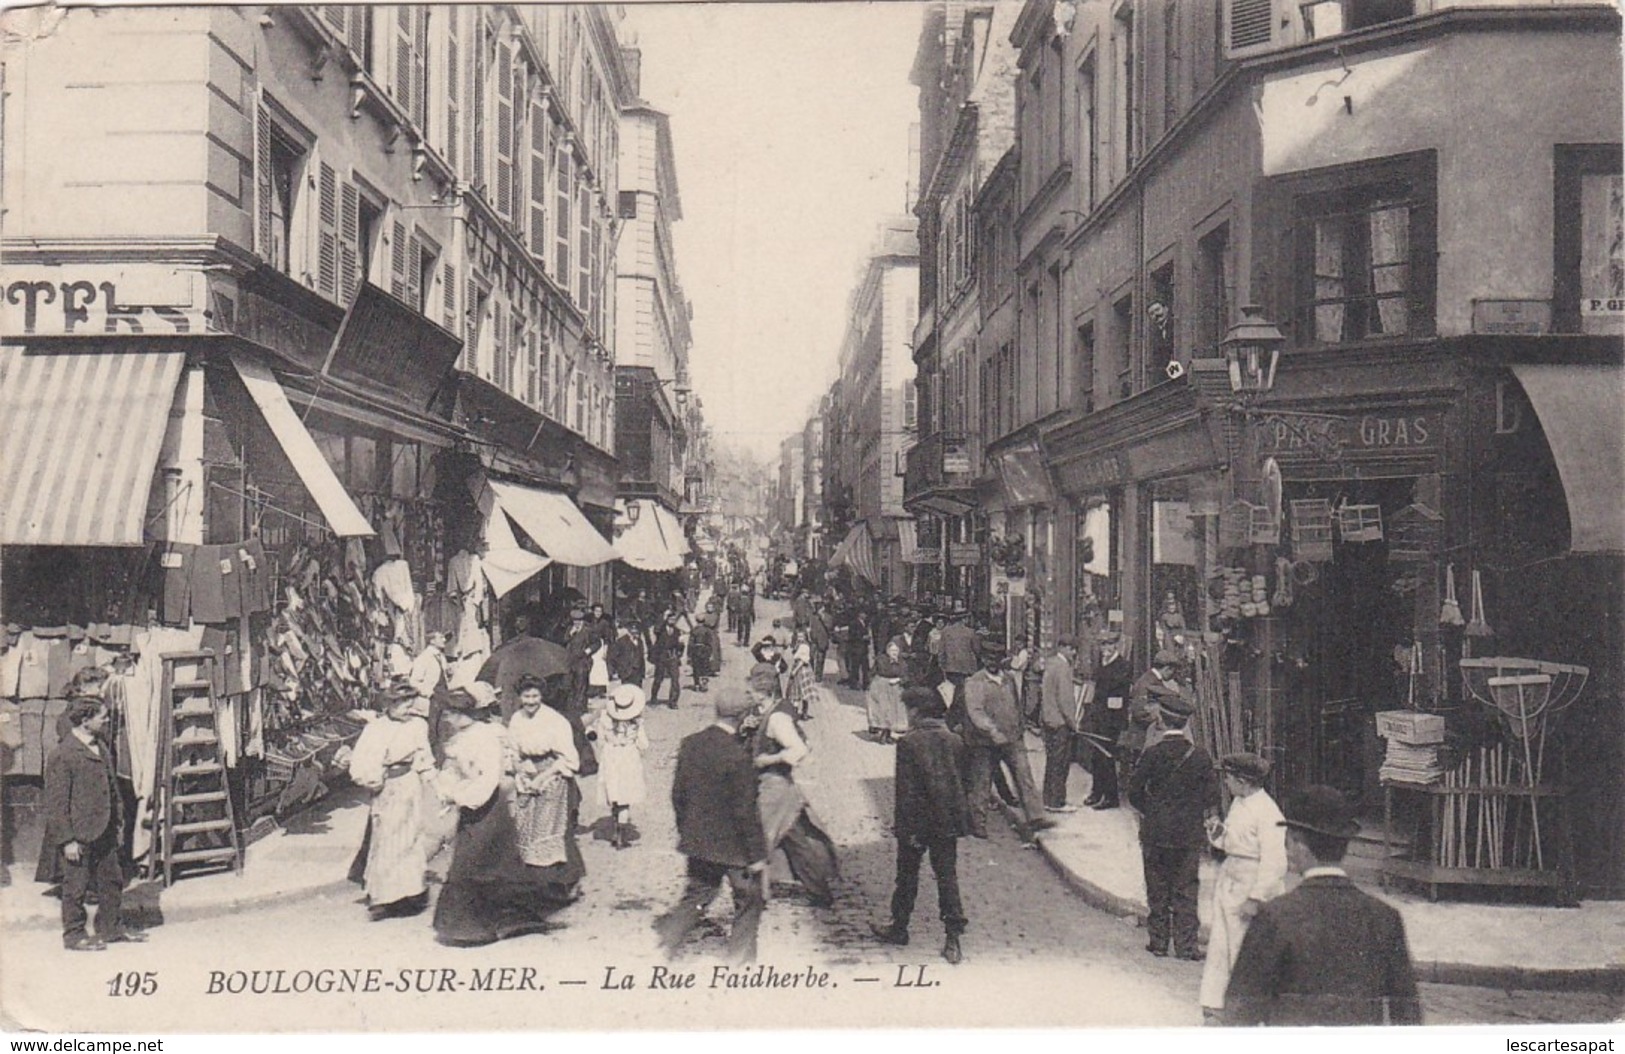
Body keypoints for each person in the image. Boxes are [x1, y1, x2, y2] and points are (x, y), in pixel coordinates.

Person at [1224, 785, 1422, 1026]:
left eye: (1288, 842)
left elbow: (1240, 1009)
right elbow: (1408, 1015)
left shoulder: (1275, 915)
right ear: (1345, 846)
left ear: (1298, 844)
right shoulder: (1385, 917)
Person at [432, 683, 583, 946]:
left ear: (466, 714)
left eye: (452, 713)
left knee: (479, 863)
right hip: (473, 811)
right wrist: (447, 789)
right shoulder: (463, 737)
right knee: (485, 863)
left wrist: (461, 796)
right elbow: (453, 770)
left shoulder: (485, 737)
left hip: (489, 809)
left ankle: (475, 925)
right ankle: (492, 921)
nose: (448, 719)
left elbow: (487, 780)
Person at [655, 689, 768, 963]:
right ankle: (740, 963)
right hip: (734, 848)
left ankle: (663, 947)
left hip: (699, 841)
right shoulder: (739, 756)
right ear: (742, 717)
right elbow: (745, 811)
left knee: (696, 896)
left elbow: (678, 794)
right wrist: (757, 856)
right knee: (750, 901)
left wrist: (687, 830)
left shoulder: (691, 744)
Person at [871, 687, 970, 964]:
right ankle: (953, 940)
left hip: (918, 823)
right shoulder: (955, 741)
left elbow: (906, 792)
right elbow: (964, 784)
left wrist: (906, 829)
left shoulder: (909, 743)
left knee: (907, 878)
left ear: (916, 711)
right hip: (946, 823)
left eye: (908, 710)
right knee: (947, 878)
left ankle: (899, 928)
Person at [43, 698, 146, 951]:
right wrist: (67, 840)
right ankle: (74, 935)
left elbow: (112, 788)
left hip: (106, 829)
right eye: (102, 716)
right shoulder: (63, 754)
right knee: (75, 887)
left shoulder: (101, 746)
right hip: (79, 835)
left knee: (112, 881)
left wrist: (118, 821)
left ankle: (111, 928)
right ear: (85, 720)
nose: (107, 719)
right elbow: (56, 803)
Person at [1126, 691, 1220, 960]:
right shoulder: (1200, 756)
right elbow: (1211, 795)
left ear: (1163, 722)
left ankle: (1158, 943)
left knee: (1156, 886)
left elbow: (1134, 791)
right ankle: (1186, 946)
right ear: (1185, 723)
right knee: (1186, 888)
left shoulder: (1152, 754)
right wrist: (1192, 811)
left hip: (1156, 831)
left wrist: (1151, 810)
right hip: (1188, 833)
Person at [1200, 753, 1288, 1024]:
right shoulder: (1240, 802)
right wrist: (1216, 832)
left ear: (1242, 780)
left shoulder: (1268, 812)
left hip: (1252, 881)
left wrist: (1257, 897)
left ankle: (1247, 1011)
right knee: (1222, 942)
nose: (1225, 782)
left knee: (1244, 948)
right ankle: (1217, 1002)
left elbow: (1275, 861)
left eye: (1228, 777)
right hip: (1232, 877)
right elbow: (1230, 842)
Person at [747, 666, 839, 907]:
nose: (749, 697)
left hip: (775, 787)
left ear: (762, 693)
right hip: (779, 789)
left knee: (761, 839)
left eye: (752, 693)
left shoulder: (778, 718)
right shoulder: (768, 713)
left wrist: (768, 759)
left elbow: (798, 749)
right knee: (795, 840)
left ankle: (754, 896)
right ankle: (820, 891)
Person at [347, 682, 435, 920]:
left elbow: (423, 756)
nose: (408, 708)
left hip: (409, 786)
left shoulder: (418, 725)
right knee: (386, 840)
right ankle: (385, 897)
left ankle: (410, 894)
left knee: (409, 838)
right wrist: (374, 778)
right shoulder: (376, 729)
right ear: (389, 704)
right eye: (402, 704)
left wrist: (432, 782)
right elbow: (362, 761)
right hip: (387, 788)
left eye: (410, 703)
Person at [961, 643, 1052, 842]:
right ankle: (978, 823)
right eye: (988, 658)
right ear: (983, 659)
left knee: (1024, 776)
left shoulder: (1009, 679)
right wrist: (992, 730)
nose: (992, 661)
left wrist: (1020, 728)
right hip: (984, 742)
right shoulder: (975, 682)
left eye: (996, 657)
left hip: (1012, 738)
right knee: (982, 782)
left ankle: (1036, 817)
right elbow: (975, 712)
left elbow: (1017, 705)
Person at [588, 683, 649, 850]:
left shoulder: (605, 719)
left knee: (613, 791)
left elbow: (600, 742)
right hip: (628, 756)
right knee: (626, 795)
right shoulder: (636, 722)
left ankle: (615, 827)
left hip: (610, 755)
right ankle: (621, 833)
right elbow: (644, 744)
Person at [1121, 648, 1188, 797]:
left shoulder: (1151, 679)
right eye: (1172, 671)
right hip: (1142, 736)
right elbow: (1139, 712)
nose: (1172, 676)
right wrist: (1161, 720)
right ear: (1166, 668)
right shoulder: (1148, 683)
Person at [1084, 632, 1132, 809]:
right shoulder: (1101, 664)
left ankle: (1111, 797)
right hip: (1099, 717)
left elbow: (1117, 693)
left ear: (1115, 646)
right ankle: (1097, 792)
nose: (1105, 649)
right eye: (1102, 645)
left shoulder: (1122, 666)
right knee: (1096, 756)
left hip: (1112, 720)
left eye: (1108, 645)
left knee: (1107, 757)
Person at [1038, 638, 1082, 813]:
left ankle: (1048, 799)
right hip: (1060, 722)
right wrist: (1073, 723)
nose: (1073, 654)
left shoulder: (1051, 664)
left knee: (1052, 761)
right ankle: (1057, 801)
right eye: (1072, 649)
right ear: (1064, 648)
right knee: (1060, 763)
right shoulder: (1063, 667)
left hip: (1048, 719)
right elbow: (1065, 700)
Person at [937, 606, 979, 725]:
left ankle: (953, 716)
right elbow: (976, 650)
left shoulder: (945, 632)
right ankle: (960, 717)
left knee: (953, 692)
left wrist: (942, 666)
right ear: (964, 619)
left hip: (951, 667)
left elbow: (941, 651)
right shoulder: (970, 632)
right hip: (967, 668)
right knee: (964, 693)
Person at [866, 638, 908, 744]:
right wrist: (871, 685)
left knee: (893, 711)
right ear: (887, 651)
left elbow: (907, 676)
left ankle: (888, 734)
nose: (894, 653)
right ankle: (883, 734)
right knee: (884, 710)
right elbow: (873, 672)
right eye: (892, 651)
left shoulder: (902, 662)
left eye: (896, 651)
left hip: (896, 688)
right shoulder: (881, 660)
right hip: (882, 687)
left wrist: (899, 680)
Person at [649, 610, 684, 709]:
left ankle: (673, 701)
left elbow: (680, 646)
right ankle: (654, 697)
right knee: (658, 678)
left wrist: (680, 650)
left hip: (672, 656)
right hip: (661, 656)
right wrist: (663, 619)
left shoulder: (677, 631)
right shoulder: (660, 629)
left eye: (674, 619)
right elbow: (656, 630)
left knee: (675, 679)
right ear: (667, 619)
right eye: (670, 619)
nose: (672, 621)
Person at [784, 642, 820, 722]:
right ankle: (804, 713)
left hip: (800, 672)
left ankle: (795, 713)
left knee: (797, 693)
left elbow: (802, 661)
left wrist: (794, 671)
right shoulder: (803, 646)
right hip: (806, 672)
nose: (800, 638)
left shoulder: (804, 647)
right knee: (805, 694)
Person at [607, 619, 646, 690]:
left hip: (637, 672)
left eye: (636, 631)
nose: (635, 633)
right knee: (626, 692)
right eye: (632, 631)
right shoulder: (621, 641)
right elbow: (613, 657)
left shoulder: (640, 642)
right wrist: (614, 671)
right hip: (626, 672)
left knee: (637, 692)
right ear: (628, 630)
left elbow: (641, 656)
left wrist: (643, 672)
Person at [688, 615, 718, 693]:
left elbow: (690, 643)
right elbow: (710, 642)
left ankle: (697, 684)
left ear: (696, 621)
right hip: (705, 650)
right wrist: (711, 652)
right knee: (705, 667)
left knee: (696, 668)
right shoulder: (707, 630)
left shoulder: (694, 630)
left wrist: (689, 654)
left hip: (696, 649)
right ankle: (704, 683)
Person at [806, 598, 833, 683]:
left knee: (820, 659)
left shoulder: (828, 617)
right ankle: (811, 674)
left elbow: (829, 627)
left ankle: (818, 676)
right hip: (813, 640)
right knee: (811, 657)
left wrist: (823, 619)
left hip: (822, 641)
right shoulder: (813, 617)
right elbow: (810, 627)